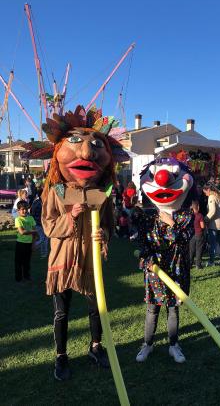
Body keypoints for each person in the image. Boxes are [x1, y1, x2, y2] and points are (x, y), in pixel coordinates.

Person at [24, 105, 128, 381]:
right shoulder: (55, 192)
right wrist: (70, 216)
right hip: (63, 260)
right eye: (75, 143)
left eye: (95, 145)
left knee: (96, 308)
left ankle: (96, 347)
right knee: (62, 312)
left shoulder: (101, 194)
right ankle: (61, 356)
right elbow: (48, 226)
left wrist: (103, 235)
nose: (86, 152)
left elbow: (108, 224)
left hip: (89, 259)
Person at [136, 157, 195, 364]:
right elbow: (144, 243)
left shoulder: (186, 215)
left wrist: (171, 224)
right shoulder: (147, 217)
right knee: (152, 308)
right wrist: (146, 258)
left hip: (177, 267)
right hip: (155, 269)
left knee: (173, 308)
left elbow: (184, 239)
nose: (163, 179)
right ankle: (147, 344)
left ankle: (173, 345)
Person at [203, 182, 220, 266]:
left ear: (208, 190)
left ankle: (211, 261)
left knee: (213, 243)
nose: (205, 194)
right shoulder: (218, 195)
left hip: (214, 224)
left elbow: (212, 211)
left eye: (205, 192)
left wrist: (205, 219)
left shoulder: (211, 197)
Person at [14, 200, 37, 282]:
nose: (24, 211)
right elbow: (22, 232)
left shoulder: (31, 218)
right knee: (18, 262)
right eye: (22, 209)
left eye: (26, 209)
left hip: (29, 244)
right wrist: (33, 231)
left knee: (27, 262)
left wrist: (33, 244)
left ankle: (27, 276)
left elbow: (35, 233)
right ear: (18, 210)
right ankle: (18, 278)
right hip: (20, 244)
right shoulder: (18, 219)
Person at [31, 186, 49, 258]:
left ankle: (44, 253)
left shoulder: (36, 201)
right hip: (40, 223)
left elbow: (32, 212)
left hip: (37, 223)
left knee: (44, 238)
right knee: (43, 239)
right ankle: (32, 247)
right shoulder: (42, 203)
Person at [189, 201, 205, 269]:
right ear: (198, 207)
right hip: (199, 234)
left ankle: (190, 264)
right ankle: (198, 265)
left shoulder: (189, 215)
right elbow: (202, 226)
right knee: (199, 249)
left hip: (192, 235)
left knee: (191, 250)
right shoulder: (200, 215)